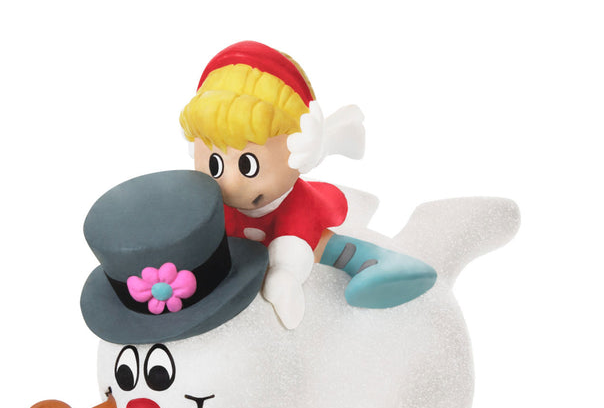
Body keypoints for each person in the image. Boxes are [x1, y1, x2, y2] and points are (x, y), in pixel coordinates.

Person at [179, 40, 436, 328]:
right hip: (242, 246)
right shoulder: (216, 204)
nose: (231, 183)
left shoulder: (295, 203)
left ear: (300, 148)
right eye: (215, 165)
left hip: (294, 234)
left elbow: (294, 239)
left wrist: (285, 274)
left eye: (247, 165)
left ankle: (381, 264)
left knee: (320, 245)